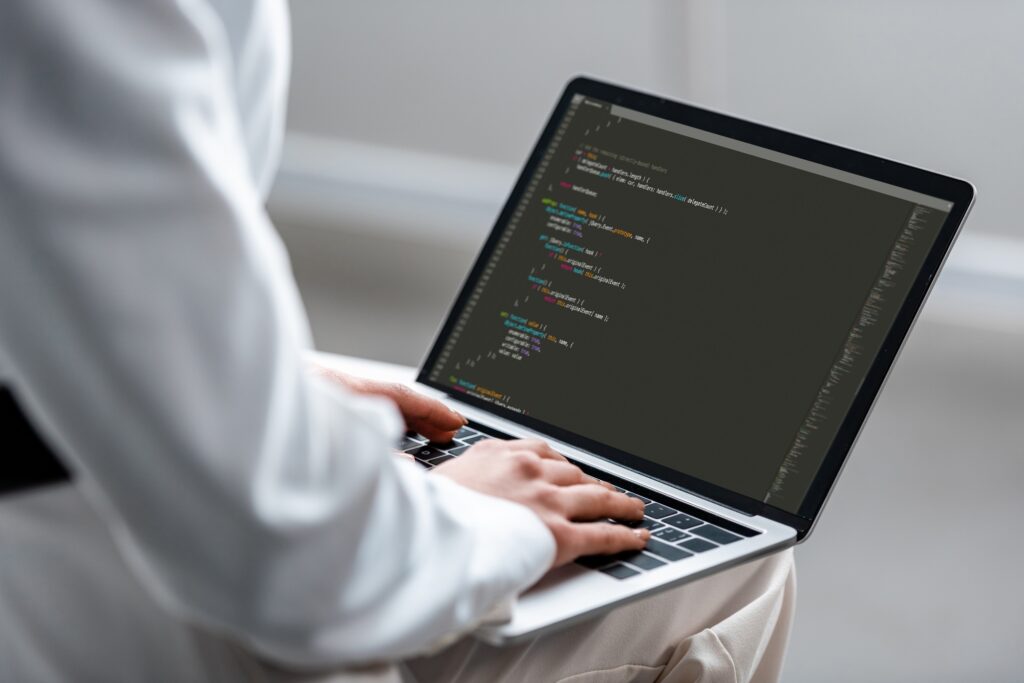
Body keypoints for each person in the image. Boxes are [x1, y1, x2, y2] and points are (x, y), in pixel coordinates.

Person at [0, 1, 795, 681]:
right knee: (741, 568)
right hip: (75, 600)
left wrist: (263, 391)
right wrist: (477, 514)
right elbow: (291, 562)